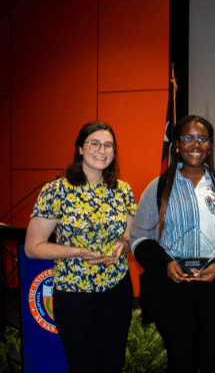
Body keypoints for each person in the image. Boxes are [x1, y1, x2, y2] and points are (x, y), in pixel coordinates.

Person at [130, 115, 215, 373]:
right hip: (173, 289)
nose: (194, 144)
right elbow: (139, 239)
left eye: (202, 139)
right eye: (187, 138)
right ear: (177, 144)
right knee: (180, 362)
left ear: (210, 145)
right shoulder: (158, 187)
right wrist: (165, 264)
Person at [24, 121, 136, 373]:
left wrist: (122, 246)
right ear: (80, 149)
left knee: (113, 365)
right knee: (82, 366)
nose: (101, 150)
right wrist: (78, 252)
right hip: (74, 292)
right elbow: (33, 247)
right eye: (94, 143)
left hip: (117, 289)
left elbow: (131, 239)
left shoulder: (122, 191)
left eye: (108, 145)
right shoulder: (57, 190)